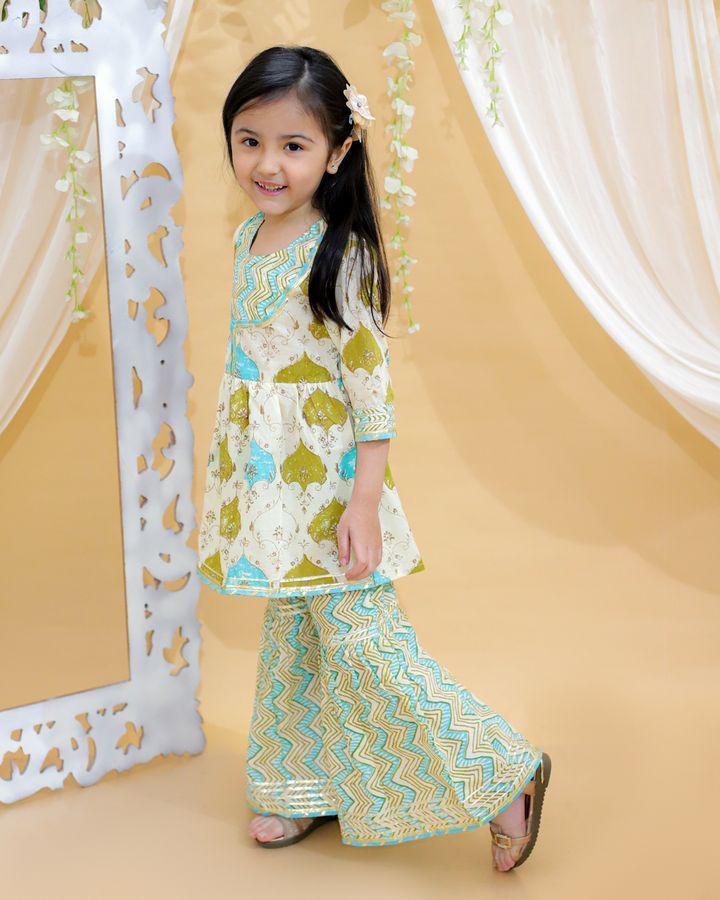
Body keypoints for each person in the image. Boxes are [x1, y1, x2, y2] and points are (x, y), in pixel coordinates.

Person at [196, 44, 551, 873]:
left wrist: (363, 502)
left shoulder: (339, 253)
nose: (268, 164)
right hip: (270, 489)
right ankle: (300, 785)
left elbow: (370, 392)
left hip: (327, 491)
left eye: (293, 145)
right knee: (296, 635)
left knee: (363, 646)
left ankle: (503, 774)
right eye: (250, 141)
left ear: (337, 151)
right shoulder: (249, 236)